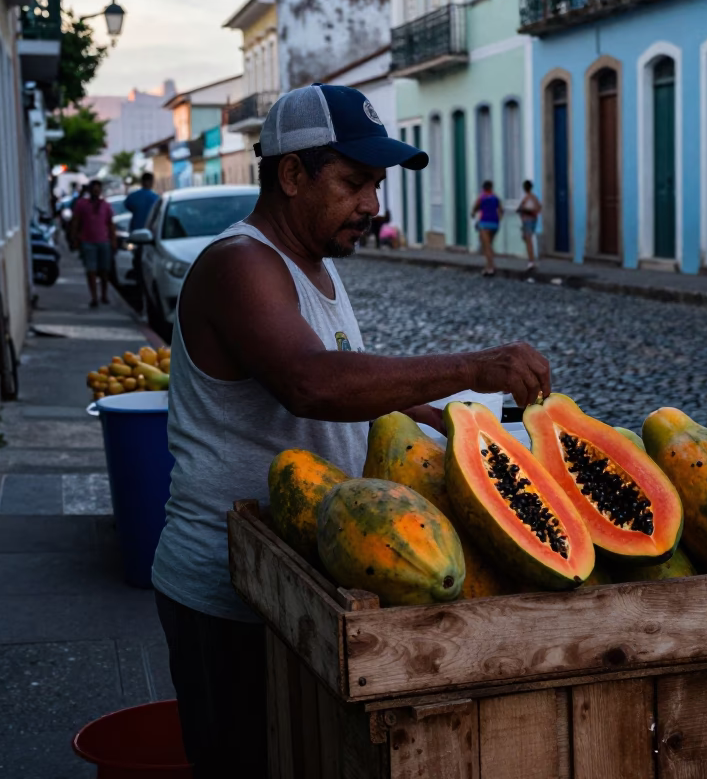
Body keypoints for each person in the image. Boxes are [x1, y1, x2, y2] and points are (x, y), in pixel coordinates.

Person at [151, 84, 551, 778]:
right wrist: (474, 367)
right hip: (228, 593)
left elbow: (349, 395)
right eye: (355, 181)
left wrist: (441, 419)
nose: (373, 204)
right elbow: (312, 382)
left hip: (305, 584)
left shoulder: (319, 264)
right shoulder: (240, 264)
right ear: (292, 173)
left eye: (378, 183)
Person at [69, 179, 116, 307]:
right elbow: (76, 222)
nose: (96, 192)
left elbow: (110, 224)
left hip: (103, 241)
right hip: (87, 242)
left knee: (104, 271)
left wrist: (113, 240)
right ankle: (94, 297)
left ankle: (104, 295)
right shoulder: (81, 204)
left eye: (98, 189)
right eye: (94, 189)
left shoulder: (106, 206)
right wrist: (74, 238)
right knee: (91, 270)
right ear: (89, 191)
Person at [470, 179, 501, 276]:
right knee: (489, 245)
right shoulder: (495, 198)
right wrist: (498, 219)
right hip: (495, 224)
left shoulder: (482, 197)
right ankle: (487, 267)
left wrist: (474, 214)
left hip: (484, 224)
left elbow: (474, 209)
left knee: (486, 247)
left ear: (483, 188)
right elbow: (501, 210)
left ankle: (491, 268)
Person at [518, 179, 543, 272]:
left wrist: (525, 211)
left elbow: (521, 209)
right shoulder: (534, 197)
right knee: (527, 239)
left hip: (527, 221)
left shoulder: (526, 198)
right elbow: (539, 208)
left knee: (528, 241)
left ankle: (531, 262)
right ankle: (531, 260)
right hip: (533, 220)